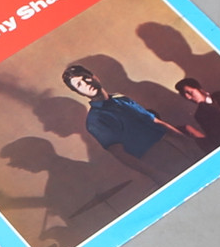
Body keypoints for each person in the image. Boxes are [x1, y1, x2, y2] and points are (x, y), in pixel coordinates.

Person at [62, 64, 198, 184]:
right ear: (79, 92)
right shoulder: (95, 120)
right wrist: (156, 174)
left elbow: (154, 121)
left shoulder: (121, 98)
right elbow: (121, 154)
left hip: (171, 146)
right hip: (152, 159)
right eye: (79, 85)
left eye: (85, 78)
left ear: (95, 77)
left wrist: (186, 140)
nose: (85, 84)